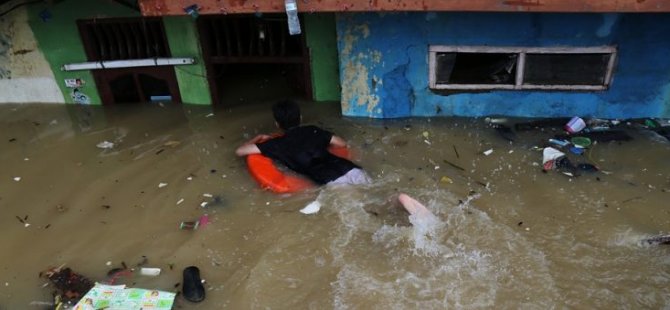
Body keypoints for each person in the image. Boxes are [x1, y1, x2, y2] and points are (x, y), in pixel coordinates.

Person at [236, 100, 434, 220]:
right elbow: (341, 143)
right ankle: (401, 200)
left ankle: (401, 204)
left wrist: (260, 138)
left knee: (367, 211)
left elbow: (240, 151)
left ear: (277, 123)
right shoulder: (313, 130)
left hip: (332, 182)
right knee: (376, 198)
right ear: (301, 117)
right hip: (352, 170)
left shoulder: (275, 145)